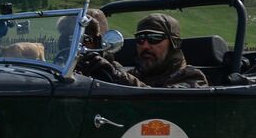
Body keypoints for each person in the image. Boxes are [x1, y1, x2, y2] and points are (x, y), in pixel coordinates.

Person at [76, 12, 208, 88]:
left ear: (174, 43)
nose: (145, 46)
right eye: (140, 39)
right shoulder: (136, 74)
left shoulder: (192, 77)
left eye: (154, 38)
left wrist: (118, 77)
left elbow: (161, 102)